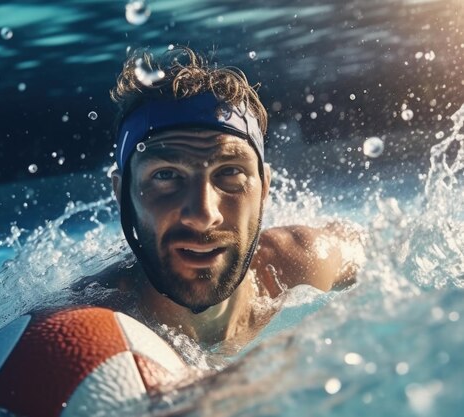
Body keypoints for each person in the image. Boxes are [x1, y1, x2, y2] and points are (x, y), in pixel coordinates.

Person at [76, 46, 365, 352]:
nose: (203, 214)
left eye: (229, 172)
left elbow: (376, 248)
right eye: (166, 175)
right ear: (122, 193)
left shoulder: (300, 265)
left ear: (264, 188)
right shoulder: (86, 326)